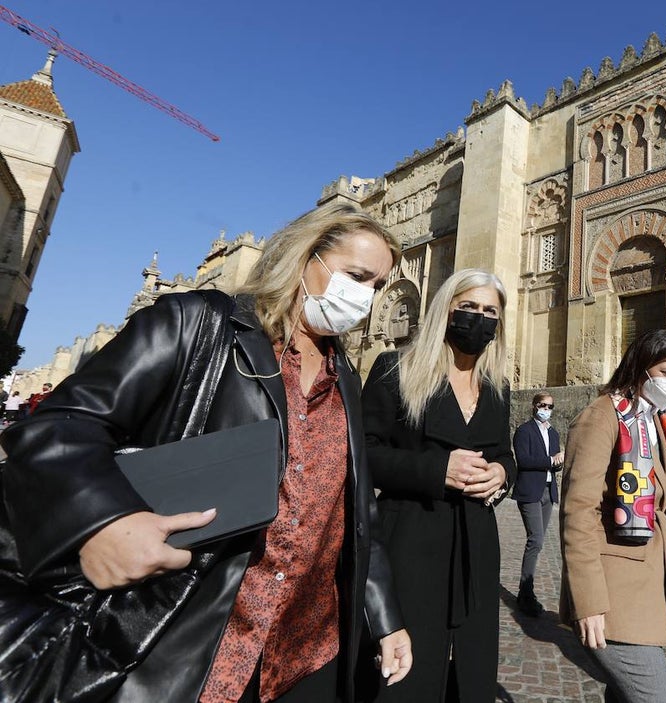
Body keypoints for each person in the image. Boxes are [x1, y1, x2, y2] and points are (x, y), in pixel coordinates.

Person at [1, 203, 413, 702]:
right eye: (356, 277)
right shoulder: (196, 324)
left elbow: (353, 511)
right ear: (306, 258)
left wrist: (385, 618)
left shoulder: (344, 377)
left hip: (298, 656)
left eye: (376, 287)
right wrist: (102, 520)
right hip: (176, 643)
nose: (365, 298)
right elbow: (59, 426)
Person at [361, 268, 516, 703]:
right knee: (405, 679)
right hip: (411, 546)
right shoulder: (396, 370)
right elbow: (362, 457)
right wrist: (435, 470)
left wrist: (502, 475)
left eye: (490, 311)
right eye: (467, 307)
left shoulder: (497, 387)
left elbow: (504, 454)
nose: (479, 318)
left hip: (476, 553)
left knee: (469, 676)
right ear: (445, 310)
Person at [559, 328, 666, 703]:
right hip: (613, 597)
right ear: (641, 368)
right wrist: (586, 601)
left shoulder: (655, 423)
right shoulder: (601, 417)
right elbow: (578, 511)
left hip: (646, 592)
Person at [511, 390, 563, 617]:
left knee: (537, 542)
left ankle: (525, 593)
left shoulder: (554, 433)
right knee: (536, 540)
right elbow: (523, 460)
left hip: (547, 491)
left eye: (550, 406)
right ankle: (526, 593)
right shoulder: (524, 431)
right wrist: (550, 460)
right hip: (529, 491)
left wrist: (558, 462)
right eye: (542, 405)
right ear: (534, 406)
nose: (546, 410)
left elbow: (553, 464)